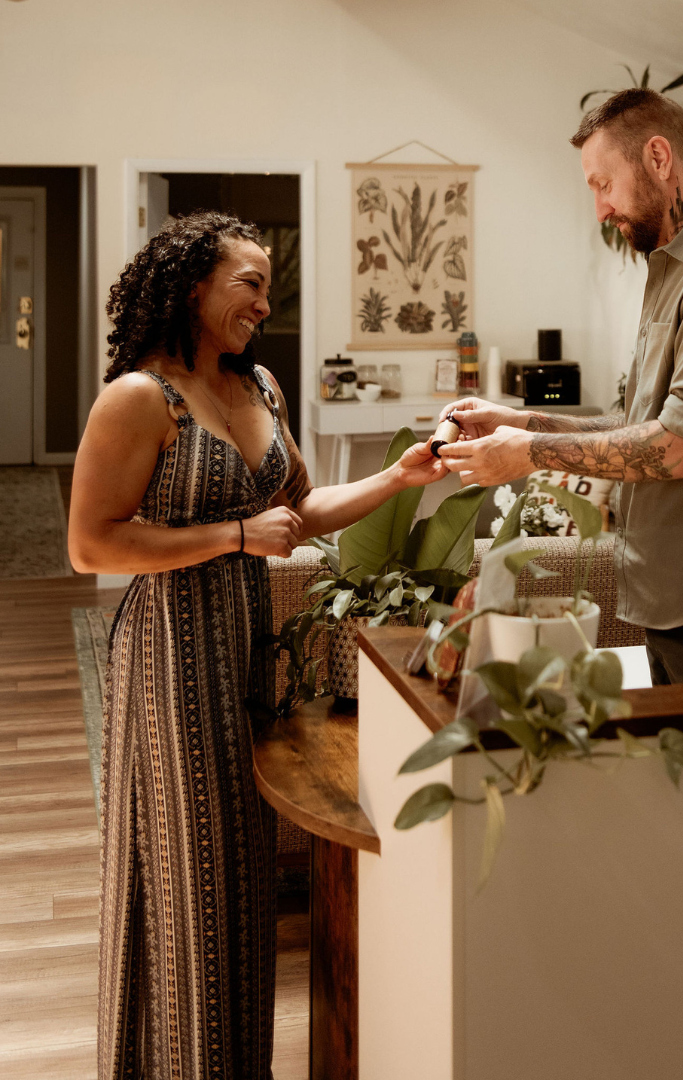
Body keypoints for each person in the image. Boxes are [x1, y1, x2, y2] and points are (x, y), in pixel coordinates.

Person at [68, 211, 446, 1079]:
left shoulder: (261, 389)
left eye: (269, 289)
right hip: (170, 656)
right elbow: (91, 545)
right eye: (250, 285)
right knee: (188, 880)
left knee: (238, 882)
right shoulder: (140, 397)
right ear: (194, 286)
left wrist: (400, 477)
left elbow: (297, 514)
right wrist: (234, 536)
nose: (263, 305)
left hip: (247, 653)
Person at [437, 88, 683, 685]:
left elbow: (682, 447)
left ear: (658, 157)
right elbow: (636, 423)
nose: (600, 209)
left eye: (603, 184)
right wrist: (519, 422)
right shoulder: (677, 264)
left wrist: (527, 455)